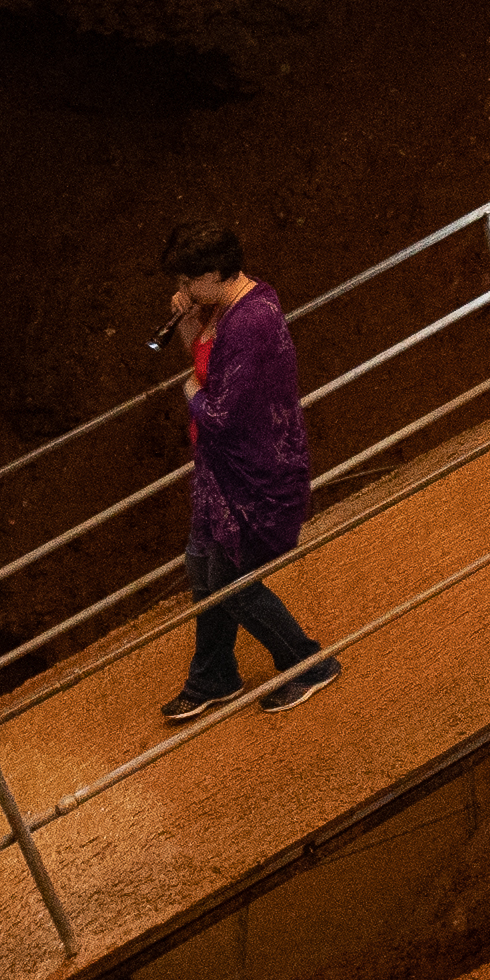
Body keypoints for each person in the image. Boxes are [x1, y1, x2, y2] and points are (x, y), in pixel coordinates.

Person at [160, 220, 341, 718]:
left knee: (231, 584)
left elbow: (219, 411)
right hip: (221, 471)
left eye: (186, 282)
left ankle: (308, 662)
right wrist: (191, 328)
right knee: (201, 564)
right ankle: (213, 676)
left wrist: (190, 394)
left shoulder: (250, 323)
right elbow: (204, 365)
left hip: (256, 475)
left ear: (215, 274)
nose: (180, 291)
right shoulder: (224, 308)